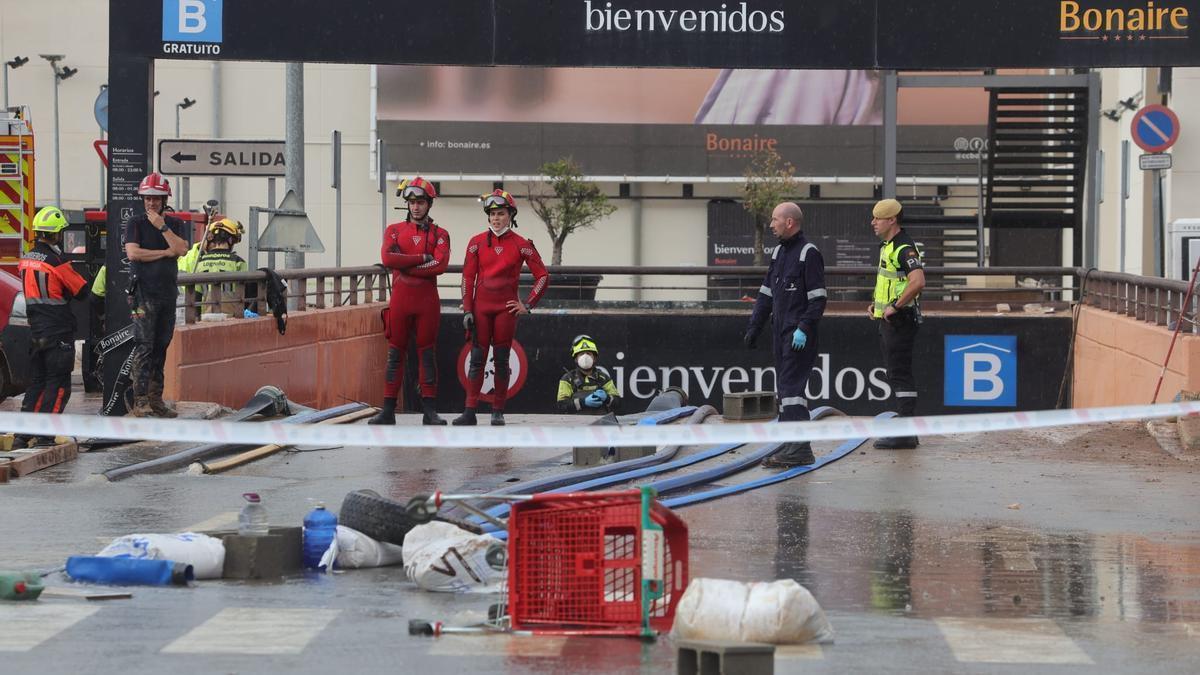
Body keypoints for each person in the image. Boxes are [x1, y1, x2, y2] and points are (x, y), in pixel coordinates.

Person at [454, 189, 550, 427]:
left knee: (501, 361)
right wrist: (468, 309)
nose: (496, 218)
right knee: (477, 360)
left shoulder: (522, 244)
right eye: (492, 214)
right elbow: (467, 278)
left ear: (510, 215)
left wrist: (528, 304)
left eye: (501, 213)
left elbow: (542, 276)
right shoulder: (476, 242)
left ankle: (498, 411)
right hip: (480, 309)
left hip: (505, 311)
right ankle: (469, 411)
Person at [743, 202, 827, 467]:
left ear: (789, 222)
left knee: (792, 390)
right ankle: (789, 444)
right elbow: (766, 293)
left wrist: (803, 328)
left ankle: (799, 449)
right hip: (779, 333)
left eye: (775, 219)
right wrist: (755, 326)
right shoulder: (779, 252)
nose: (771, 225)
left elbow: (818, 299)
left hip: (798, 336)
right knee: (785, 390)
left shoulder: (808, 253)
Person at [369, 177, 451, 426]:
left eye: (421, 202)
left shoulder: (441, 234)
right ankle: (388, 410)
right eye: (412, 202)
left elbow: (440, 265)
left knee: (427, 355)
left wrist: (405, 265)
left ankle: (430, 411)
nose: (415, 207)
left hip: (427, 303)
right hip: (401, 302)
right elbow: (387, 259)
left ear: (429, 204)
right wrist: (423, 258)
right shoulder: (394, 230)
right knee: (395, 354)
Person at [13, 207, 90, 448]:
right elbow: (82, 291)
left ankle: (22, 436)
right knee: (58, 385)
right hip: (58, 332)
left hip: (36, 331)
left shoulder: (26, 260)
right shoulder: (57, 262)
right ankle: (45, 437)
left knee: (37, 383)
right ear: (56, 234)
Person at [123, 171, 189, 418]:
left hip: (167, 294)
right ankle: (140, 401)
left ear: (164, 200)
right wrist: (163, 253)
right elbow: (133, 253)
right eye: (147, 198)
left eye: (156, 198)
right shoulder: (135, 223)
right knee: (144, 346)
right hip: (142, 294)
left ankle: (156, 399)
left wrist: (162, 227)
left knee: (161, 345)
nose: (151, 203)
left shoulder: (174, 224)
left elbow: (181, 249)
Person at [867, 198, 926, 449]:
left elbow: (918, 281)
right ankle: (906, 431)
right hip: (890, 320)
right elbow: (890, 282)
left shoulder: (903, 247)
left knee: (900, 375)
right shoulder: (888, 246)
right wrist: (877, 305)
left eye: (878, 218)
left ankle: (905, 434)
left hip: (900, 320)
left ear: (892, 220)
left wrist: (895, 306)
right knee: (896, 374)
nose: (873, 222)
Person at [193, 217, 256, 319]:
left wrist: (196, 318)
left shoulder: (200, 262)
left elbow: (196, 295)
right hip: (231, 317)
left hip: (206, 318)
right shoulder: (238, 262)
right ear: (230, 240)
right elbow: (247, 293)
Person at [557, 334, 621, 414]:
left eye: (588, 353)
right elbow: (561, 405)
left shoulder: (603, 378)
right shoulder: (568, 379)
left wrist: (607, 398)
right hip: (576, 421)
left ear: (594, 358)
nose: (585, 357)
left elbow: (618, 403)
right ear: (576, 359)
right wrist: (583, 402)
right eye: (581, 354)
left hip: (601, 421)